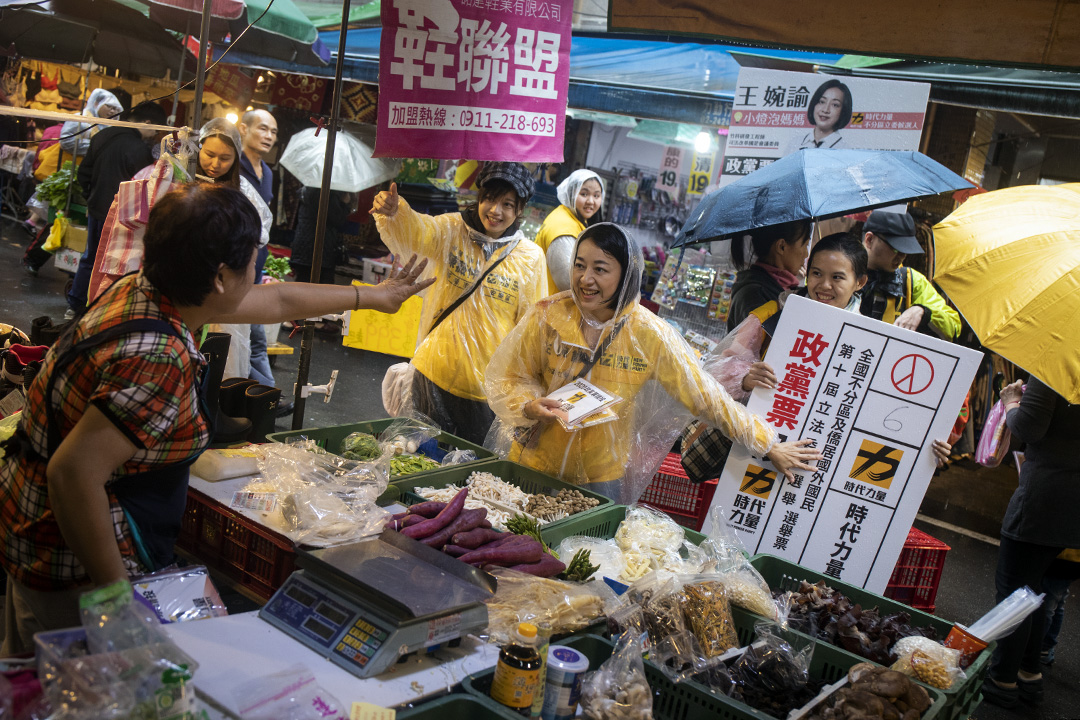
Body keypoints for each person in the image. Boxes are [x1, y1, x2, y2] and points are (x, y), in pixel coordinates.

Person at [0, 183, 434, 654]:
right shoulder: (157, 354)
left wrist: (376, 296)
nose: (258, 272)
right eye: (252, 262)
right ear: (222, 277)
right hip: (69, 566)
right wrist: (118, 599)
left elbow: (280, 301)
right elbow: (73, 474)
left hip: (35, 531)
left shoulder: (154, 289)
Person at [483, 223, 820, 505]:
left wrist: (768, 443)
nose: (585, 278)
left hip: (598, 479)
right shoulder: (548, 314)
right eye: (579, 265)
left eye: (600, 269)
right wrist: (527, 405)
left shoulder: (650, 334)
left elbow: (707, 397)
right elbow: (506, 376)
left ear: (626, 273)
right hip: (530, 463)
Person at [683, 233, 951, 482]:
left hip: (821, 472)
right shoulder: (773, 313)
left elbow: (884, 412)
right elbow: (715, 372)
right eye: (816, 274)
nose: (824, 286)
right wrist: (744, 379)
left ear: (860, 282)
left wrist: (925, 446)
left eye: (837, 277)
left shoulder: (874, 341)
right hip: (757, 458)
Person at [371, 163, 547, 445]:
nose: (496, 211)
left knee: (468, 471)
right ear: (479, 198)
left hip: (485, 392)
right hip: (432, 373)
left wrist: (525, 392)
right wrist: (395, 212)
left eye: (507, 204)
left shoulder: (530, 258)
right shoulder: (451, 230)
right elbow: (417, 230)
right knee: (415, 457)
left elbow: (531, 329)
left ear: (519, 211)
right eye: (490, 199)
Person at [982, 376, 1080, 708]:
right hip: (1074, 505)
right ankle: (1028, 673)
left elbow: (1028, 428)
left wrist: (1011, 400)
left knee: (1014, 591)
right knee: (1036, 590)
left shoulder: (1059, 366)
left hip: (1044, 498)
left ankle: (1003, 679)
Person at [71, 101, 168, 316]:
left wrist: (91, 198)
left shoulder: (102, 136)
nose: (154, 135)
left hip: (96, 209)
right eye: (155, 130)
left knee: (90, 259)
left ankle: (76, 304)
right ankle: (99, 309)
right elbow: (144, 188)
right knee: (112, 265)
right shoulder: (139, 149)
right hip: (121, 217)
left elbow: (82, 173)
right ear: (147, 122)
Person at [237, 109, 283, 405]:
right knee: (251, 333)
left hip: (257, 260)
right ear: (243, 129)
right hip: (235, 258)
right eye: (263, 129)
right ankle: (266, 396)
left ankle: (266, 397)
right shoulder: (232, 165)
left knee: (253, 333)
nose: (268, 136)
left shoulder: (267, 173)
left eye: (274, 132)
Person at [859, 210, 961, 339]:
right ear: (869, 239)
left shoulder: (910, 280)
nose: (902, 257)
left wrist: (922, 311)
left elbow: (953, 325)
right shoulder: (841, 270)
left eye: (905, 250)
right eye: (896, 249)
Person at [727, 219, 812, 331]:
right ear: (781, 246)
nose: (806, 254)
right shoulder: (754, 296)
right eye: (805, 245)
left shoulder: (785, 288)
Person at [534, 169, 605, 294]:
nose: (591, 201)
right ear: (571, 194)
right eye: (584, 194)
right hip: (551, 307)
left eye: (596, 196)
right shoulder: (563, 229)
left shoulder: (575, 219)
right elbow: (569, 283)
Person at [291, 187, 354, 285]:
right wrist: (344, 203)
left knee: (303, 288)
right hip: (321, 248)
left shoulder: (307, 189)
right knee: (322, 292)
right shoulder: (326, 192)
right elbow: (337, 219)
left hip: (304, 247)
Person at [59, 89, 124, 158]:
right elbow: (66, 142)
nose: (112, 111)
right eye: (109, 106)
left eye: (115, 109)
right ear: (96, 103)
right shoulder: (80, 119)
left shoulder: (106, 126)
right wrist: (100, 146)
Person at [797, 79, 853, 150]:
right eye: (822, 102)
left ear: (843, 111)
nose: (825, 110)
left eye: (835, 105)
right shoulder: (795, 143)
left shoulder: (845, 150)